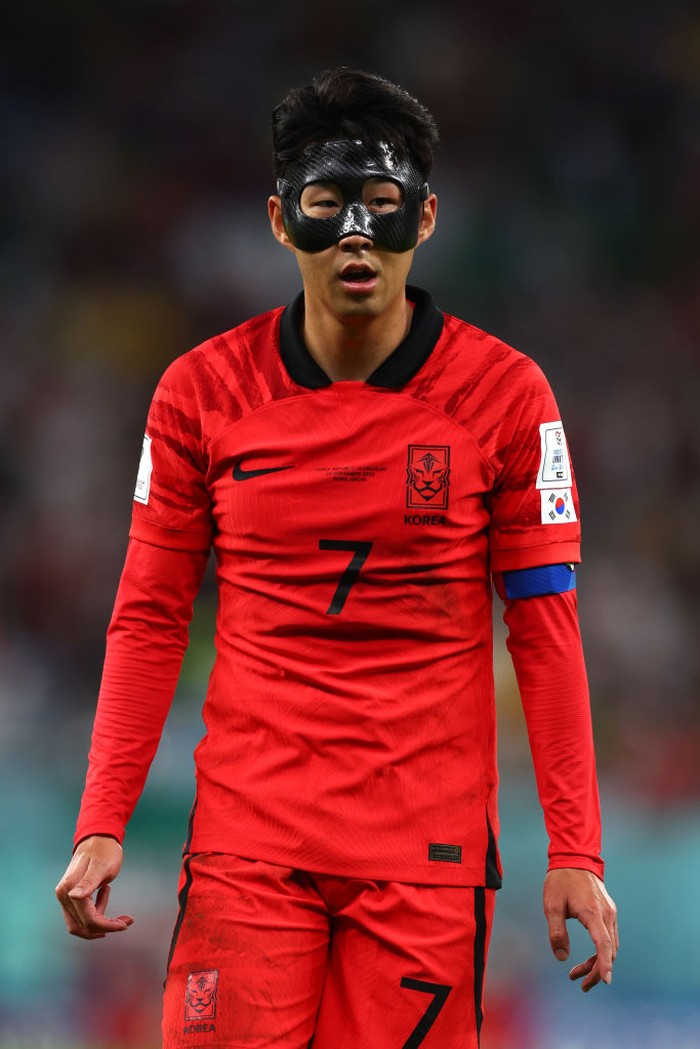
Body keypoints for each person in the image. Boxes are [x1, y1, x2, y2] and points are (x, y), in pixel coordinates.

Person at [56, 67, 618, 1048]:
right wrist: (102, 817)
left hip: (425, 857)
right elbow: (148, 612)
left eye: (384, 206)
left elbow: (544, 626)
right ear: (281, 221)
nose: (356, 232)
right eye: (326, 204)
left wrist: (575, 845)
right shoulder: (200, 392)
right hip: (248, 844)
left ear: (427, 217)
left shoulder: (506, 396)